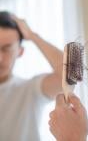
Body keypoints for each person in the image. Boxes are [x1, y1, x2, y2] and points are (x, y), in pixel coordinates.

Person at [0, 11, 63, 141]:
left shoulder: (30, 89)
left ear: (20, 51)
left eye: (6, 49)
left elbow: (69, 75)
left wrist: (32, 36)